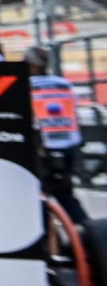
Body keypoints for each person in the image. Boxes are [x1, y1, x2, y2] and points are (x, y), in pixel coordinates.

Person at [26, 47, 87, 224]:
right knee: (66, 197)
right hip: (68, 146)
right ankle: (88, 234)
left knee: (39, 200)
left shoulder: (27, 86)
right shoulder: (65, 85)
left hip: (43, 151)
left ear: (31, 66)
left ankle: (47, 237)